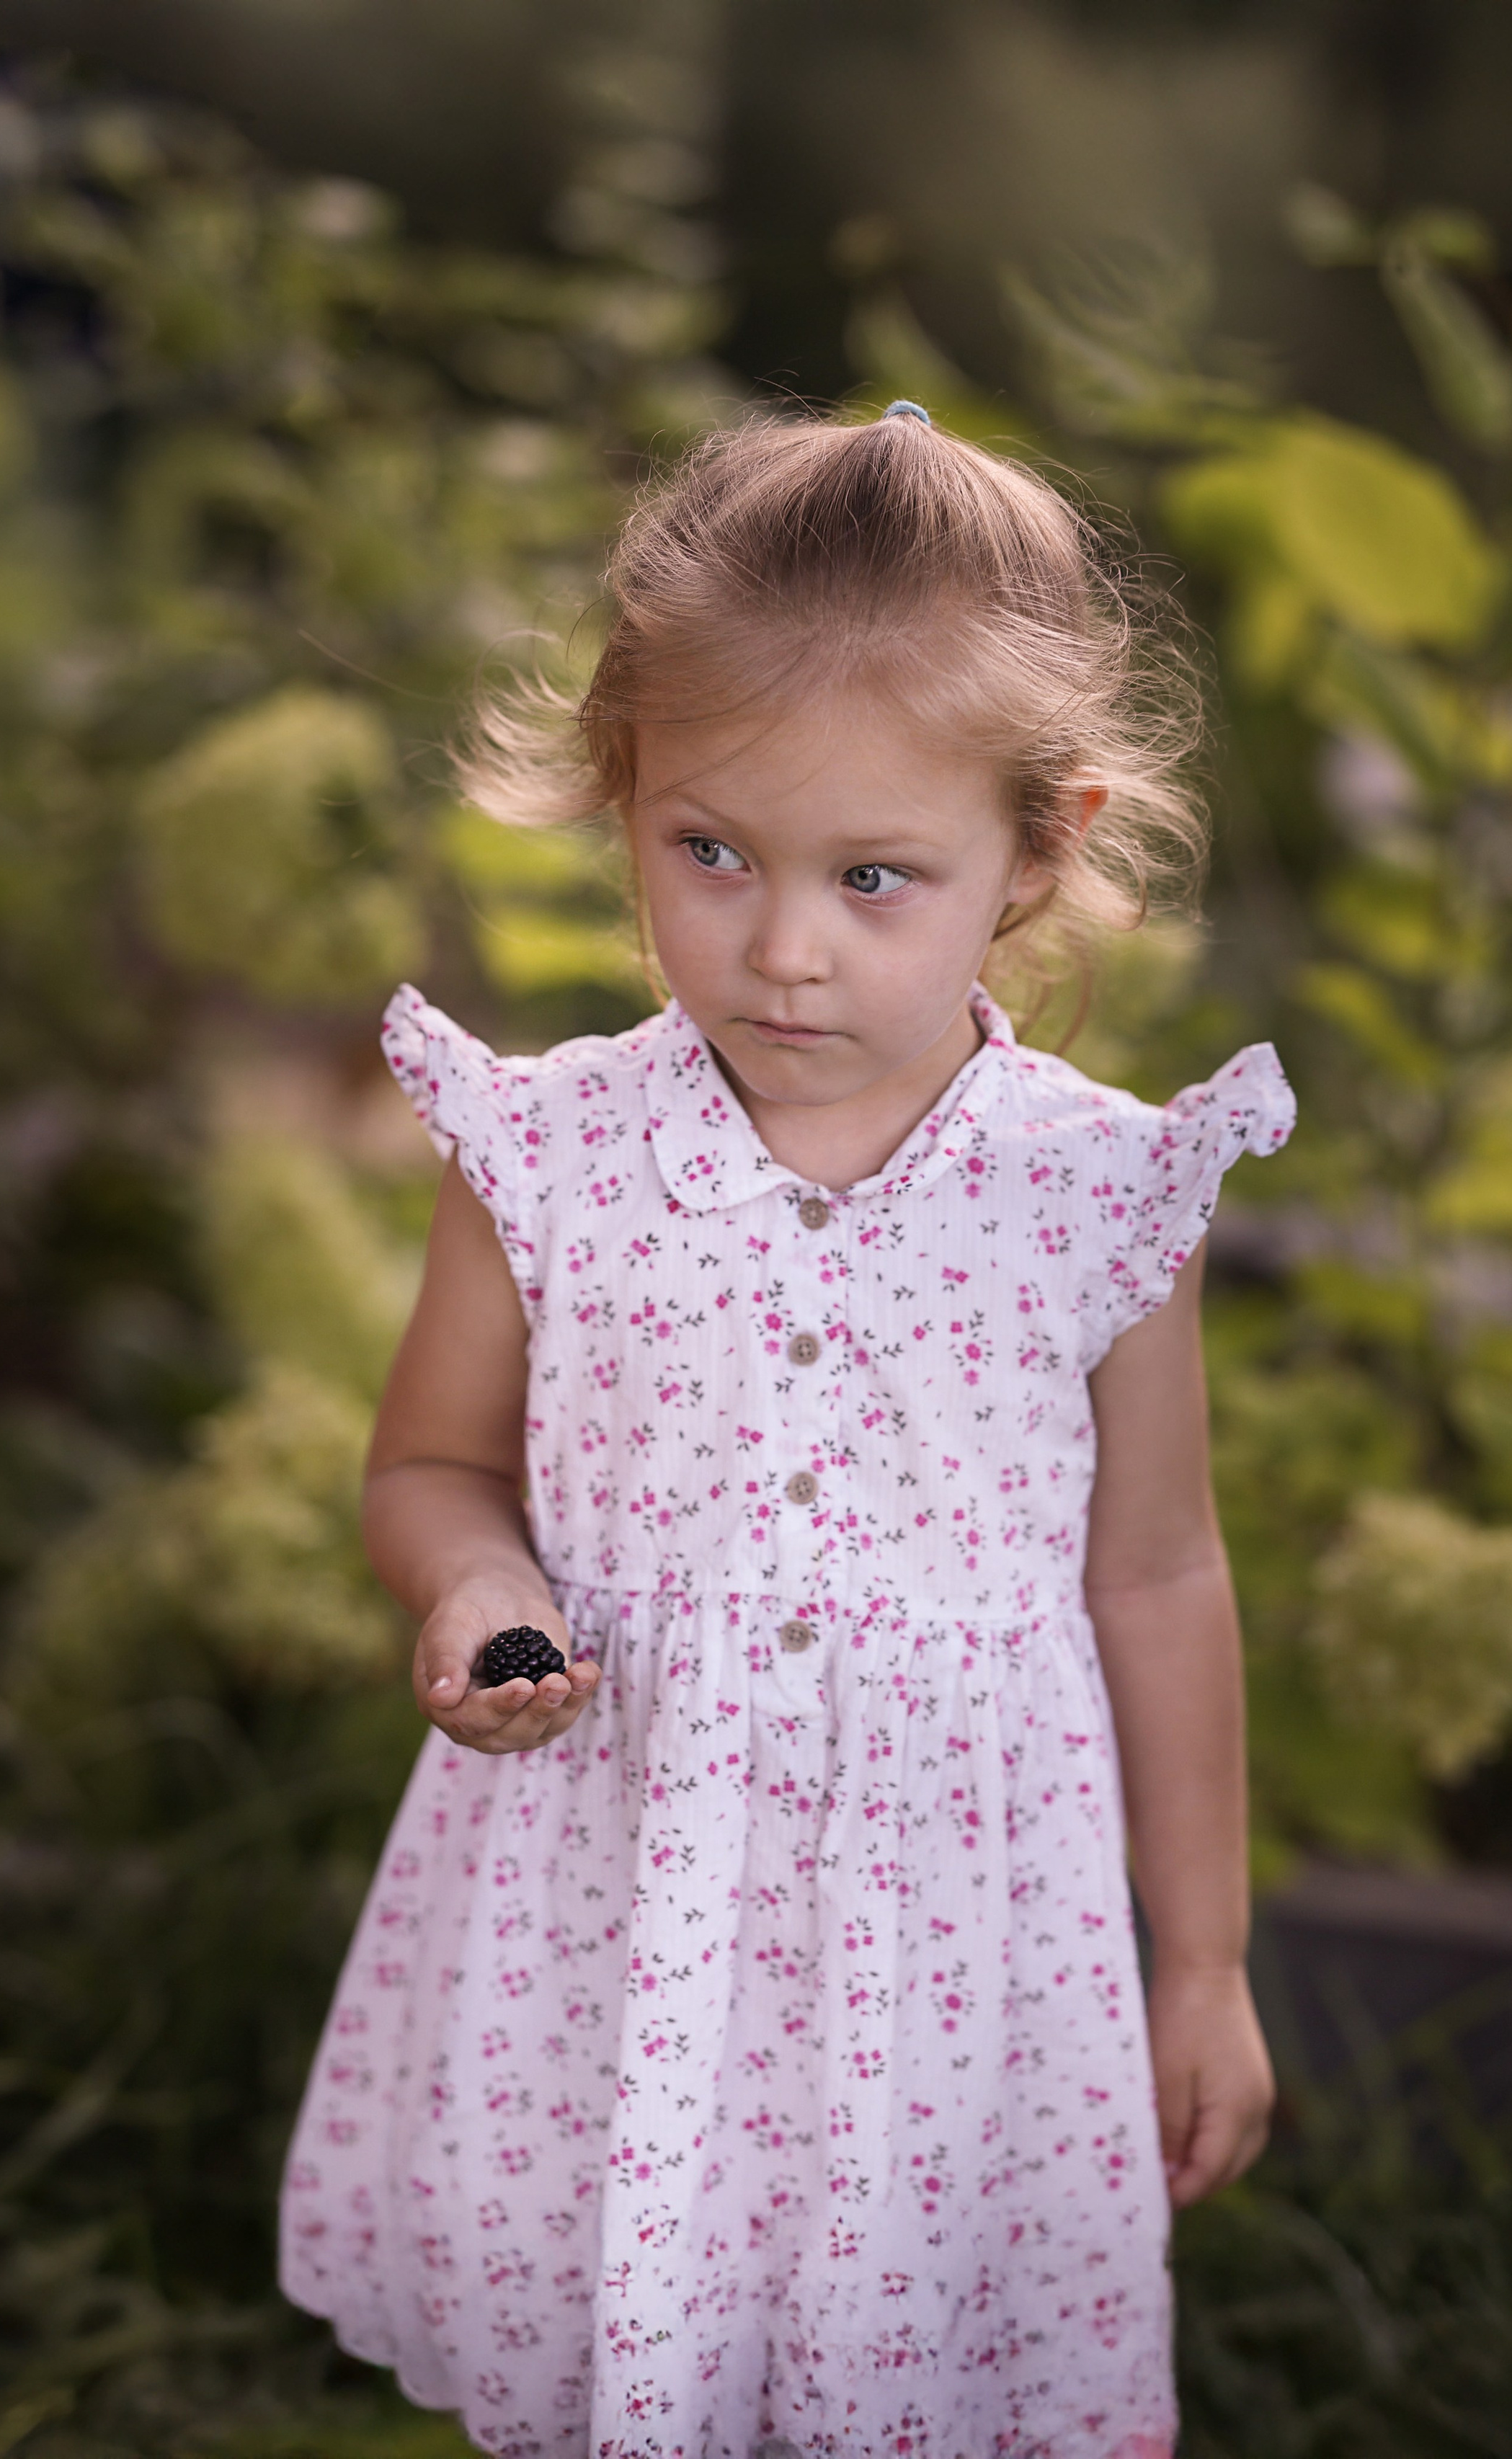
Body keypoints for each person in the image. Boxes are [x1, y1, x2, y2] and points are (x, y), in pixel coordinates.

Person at [280, 401, 1294, 2459]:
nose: (785, 940)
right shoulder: (556, 1153)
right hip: (626, 1897)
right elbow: (432, 1464)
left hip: (958, 1942)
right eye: (711, 849)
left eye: (877, 875)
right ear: (620, 793)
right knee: (634, 2362)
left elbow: (1161, 1569)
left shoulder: (1098, 1195)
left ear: (1043, 848)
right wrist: (478, 1579)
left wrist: (1203, 1957)